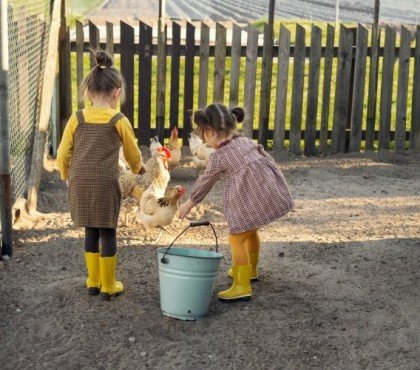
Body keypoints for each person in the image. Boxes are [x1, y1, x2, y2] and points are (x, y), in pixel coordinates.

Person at [178, 104, 294, 301]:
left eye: (204, 136)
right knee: (251, 230)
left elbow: (205, 182)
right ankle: (251, 270)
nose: (205, 141)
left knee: (236, 238)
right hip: (266, 193)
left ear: (211, 132)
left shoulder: (219, 156)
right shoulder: (246, 141)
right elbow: (266, 159)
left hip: (253, 198)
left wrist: (188, 204)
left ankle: (242, 286)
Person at [57, 50, 144, 301]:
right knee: (108, 231)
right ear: (117, 93)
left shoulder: (77, 118)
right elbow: (132, 154)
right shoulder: (119, 119)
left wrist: (66, 175)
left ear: (88, 93)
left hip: (80, 181)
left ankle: (92, 281)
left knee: (90, 230)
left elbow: (64, 153)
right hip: (106, 182)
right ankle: (108, 285)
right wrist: (139, 170)